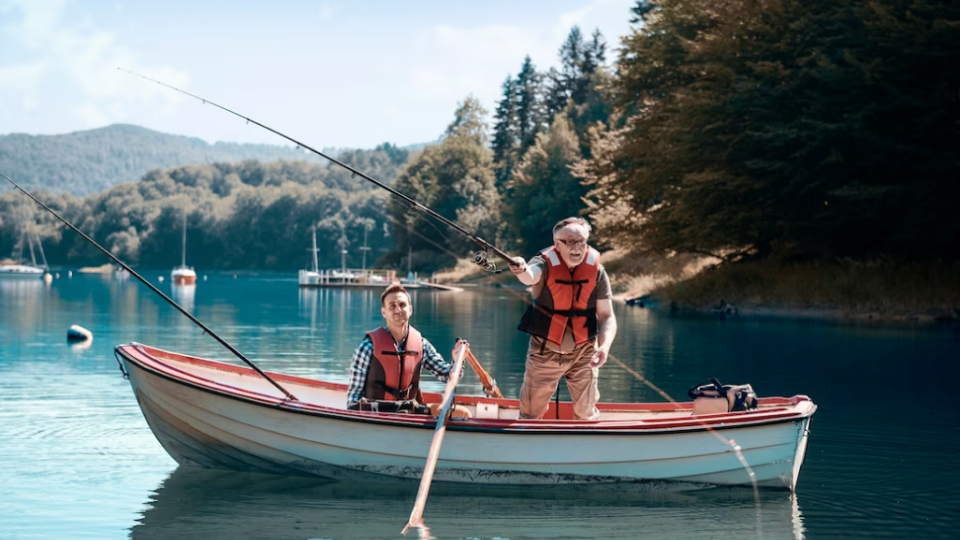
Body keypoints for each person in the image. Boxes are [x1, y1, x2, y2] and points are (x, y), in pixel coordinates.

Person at [509, 217, 617, 420]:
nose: (577, 247)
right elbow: (530, 276)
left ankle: (584, 446)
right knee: (531, 412)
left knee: (586, 411)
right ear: (557, 244)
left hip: (585, 351)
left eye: (581, 241)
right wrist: (521, 268)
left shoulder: (597, 271)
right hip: (545, 351)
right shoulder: (543, 262)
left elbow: (606, 316)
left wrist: (605, 346)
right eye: (569, 241)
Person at [346, 283, 459, 411]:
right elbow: (353, 398)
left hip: (408, 413)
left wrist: (457, 360)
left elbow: (447, 376)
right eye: (392, 306)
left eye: (402, 305)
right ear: (384, 312)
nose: (398, 310)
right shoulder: (368, 347)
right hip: (375, 415)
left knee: (463, 413)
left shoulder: (421, 345)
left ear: (410, 310)